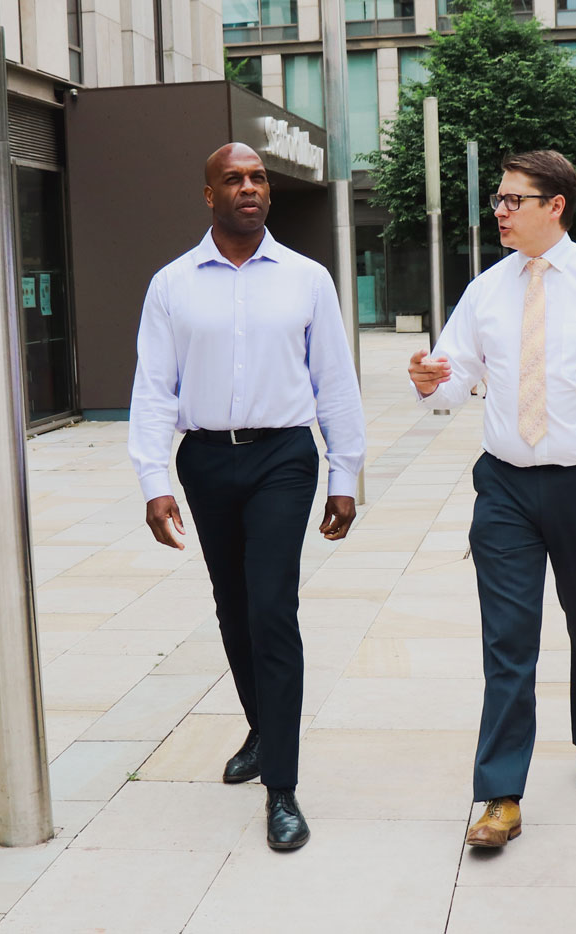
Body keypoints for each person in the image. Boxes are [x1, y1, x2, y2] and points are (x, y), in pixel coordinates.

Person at [408, 150, 576, 848]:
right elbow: (448, 386)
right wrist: (426, 377)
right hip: (502, 484)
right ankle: (499, 793)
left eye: (513, 200)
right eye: (497, 200)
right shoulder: (484, 291)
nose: (499, 210)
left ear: (555, 205)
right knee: (508, 640)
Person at [128, 142, 365, 851]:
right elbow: (151, 387)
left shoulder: (306, 278)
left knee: (271, 608)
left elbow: (334, 379)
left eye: (258, 177)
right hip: (204, 460)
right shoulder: (173, 284)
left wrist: (344, 475)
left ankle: (283, 788)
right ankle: (263, 729)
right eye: (233, 179)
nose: (249, 187)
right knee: (233, 608)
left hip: (283, 459)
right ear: (209, 195)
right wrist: (154, 481)